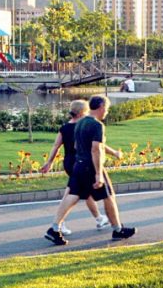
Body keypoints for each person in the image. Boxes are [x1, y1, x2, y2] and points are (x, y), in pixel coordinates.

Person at [45, 95, 136, 245]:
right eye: (106, 108)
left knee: (72, 196)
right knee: (108, 196)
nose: (107, 112)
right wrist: (99, 173)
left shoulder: (80, 123)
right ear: (101, 107)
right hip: (91, 166)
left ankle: (54, 228)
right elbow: (96, 149)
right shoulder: (96, 125)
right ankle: (118, 230)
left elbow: (76, 146)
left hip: (78, 165)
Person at [41, 100, 112, 235]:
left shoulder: (65, 127)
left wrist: (49, 162)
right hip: (81, 163)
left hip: (69, 162)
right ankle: (59, 224)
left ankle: (99, 218)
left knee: (84, 192)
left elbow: (56, 146)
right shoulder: (83, 126)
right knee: (72, 194)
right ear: (82, 113)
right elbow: (96, 146)